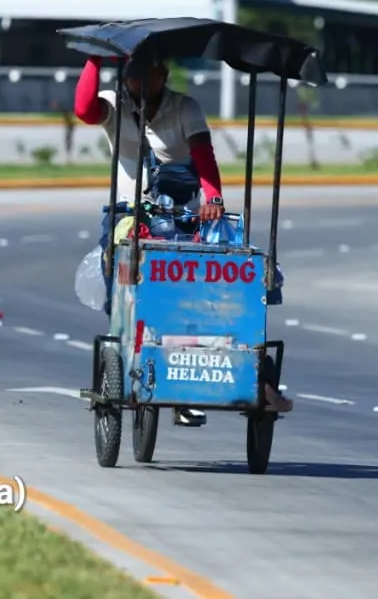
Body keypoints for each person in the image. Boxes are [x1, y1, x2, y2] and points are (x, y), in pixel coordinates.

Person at [73, 54, 293, 422]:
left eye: (147, 73)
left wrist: (214, 198)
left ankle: (186, 379)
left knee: (191, 289)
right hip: (129, 214)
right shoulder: (115, 104)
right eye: (132, 75)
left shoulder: (183, 108)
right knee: (123, 282)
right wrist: (95, 59)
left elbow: (203, 156)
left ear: (163, 74)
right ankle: (131, 352)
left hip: (180, 216)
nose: (139, 82)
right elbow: (83, 108)